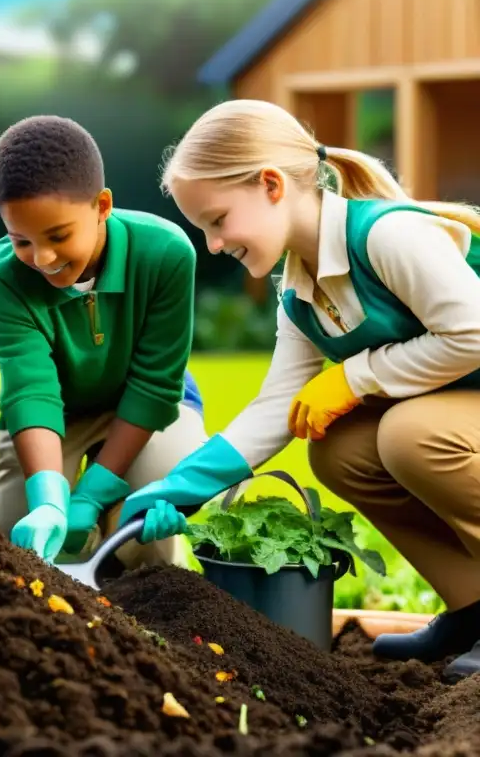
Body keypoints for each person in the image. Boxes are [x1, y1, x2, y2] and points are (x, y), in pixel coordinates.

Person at [123, 97, 480, 682]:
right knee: (339, 448)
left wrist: (356, 375)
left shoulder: (387, 236)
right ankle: (472, 607)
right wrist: (179, 487)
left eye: (217, 221)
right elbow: (274, 408)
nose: (213, 244)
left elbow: (474, 331)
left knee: (409, 435)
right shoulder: (301, 292)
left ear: (270, 185)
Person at [0, 114, 208, 567]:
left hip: (147, 408)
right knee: (19, 551)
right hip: (54, 414)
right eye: (20, 240)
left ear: (102, 206)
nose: (42, 258)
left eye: (58, 235)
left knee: (145, 509)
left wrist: (93, 491)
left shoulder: (165, 253)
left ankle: (153, 599)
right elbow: (32, 391)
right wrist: (49, 499)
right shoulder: (4, 279)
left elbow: (154, 385)